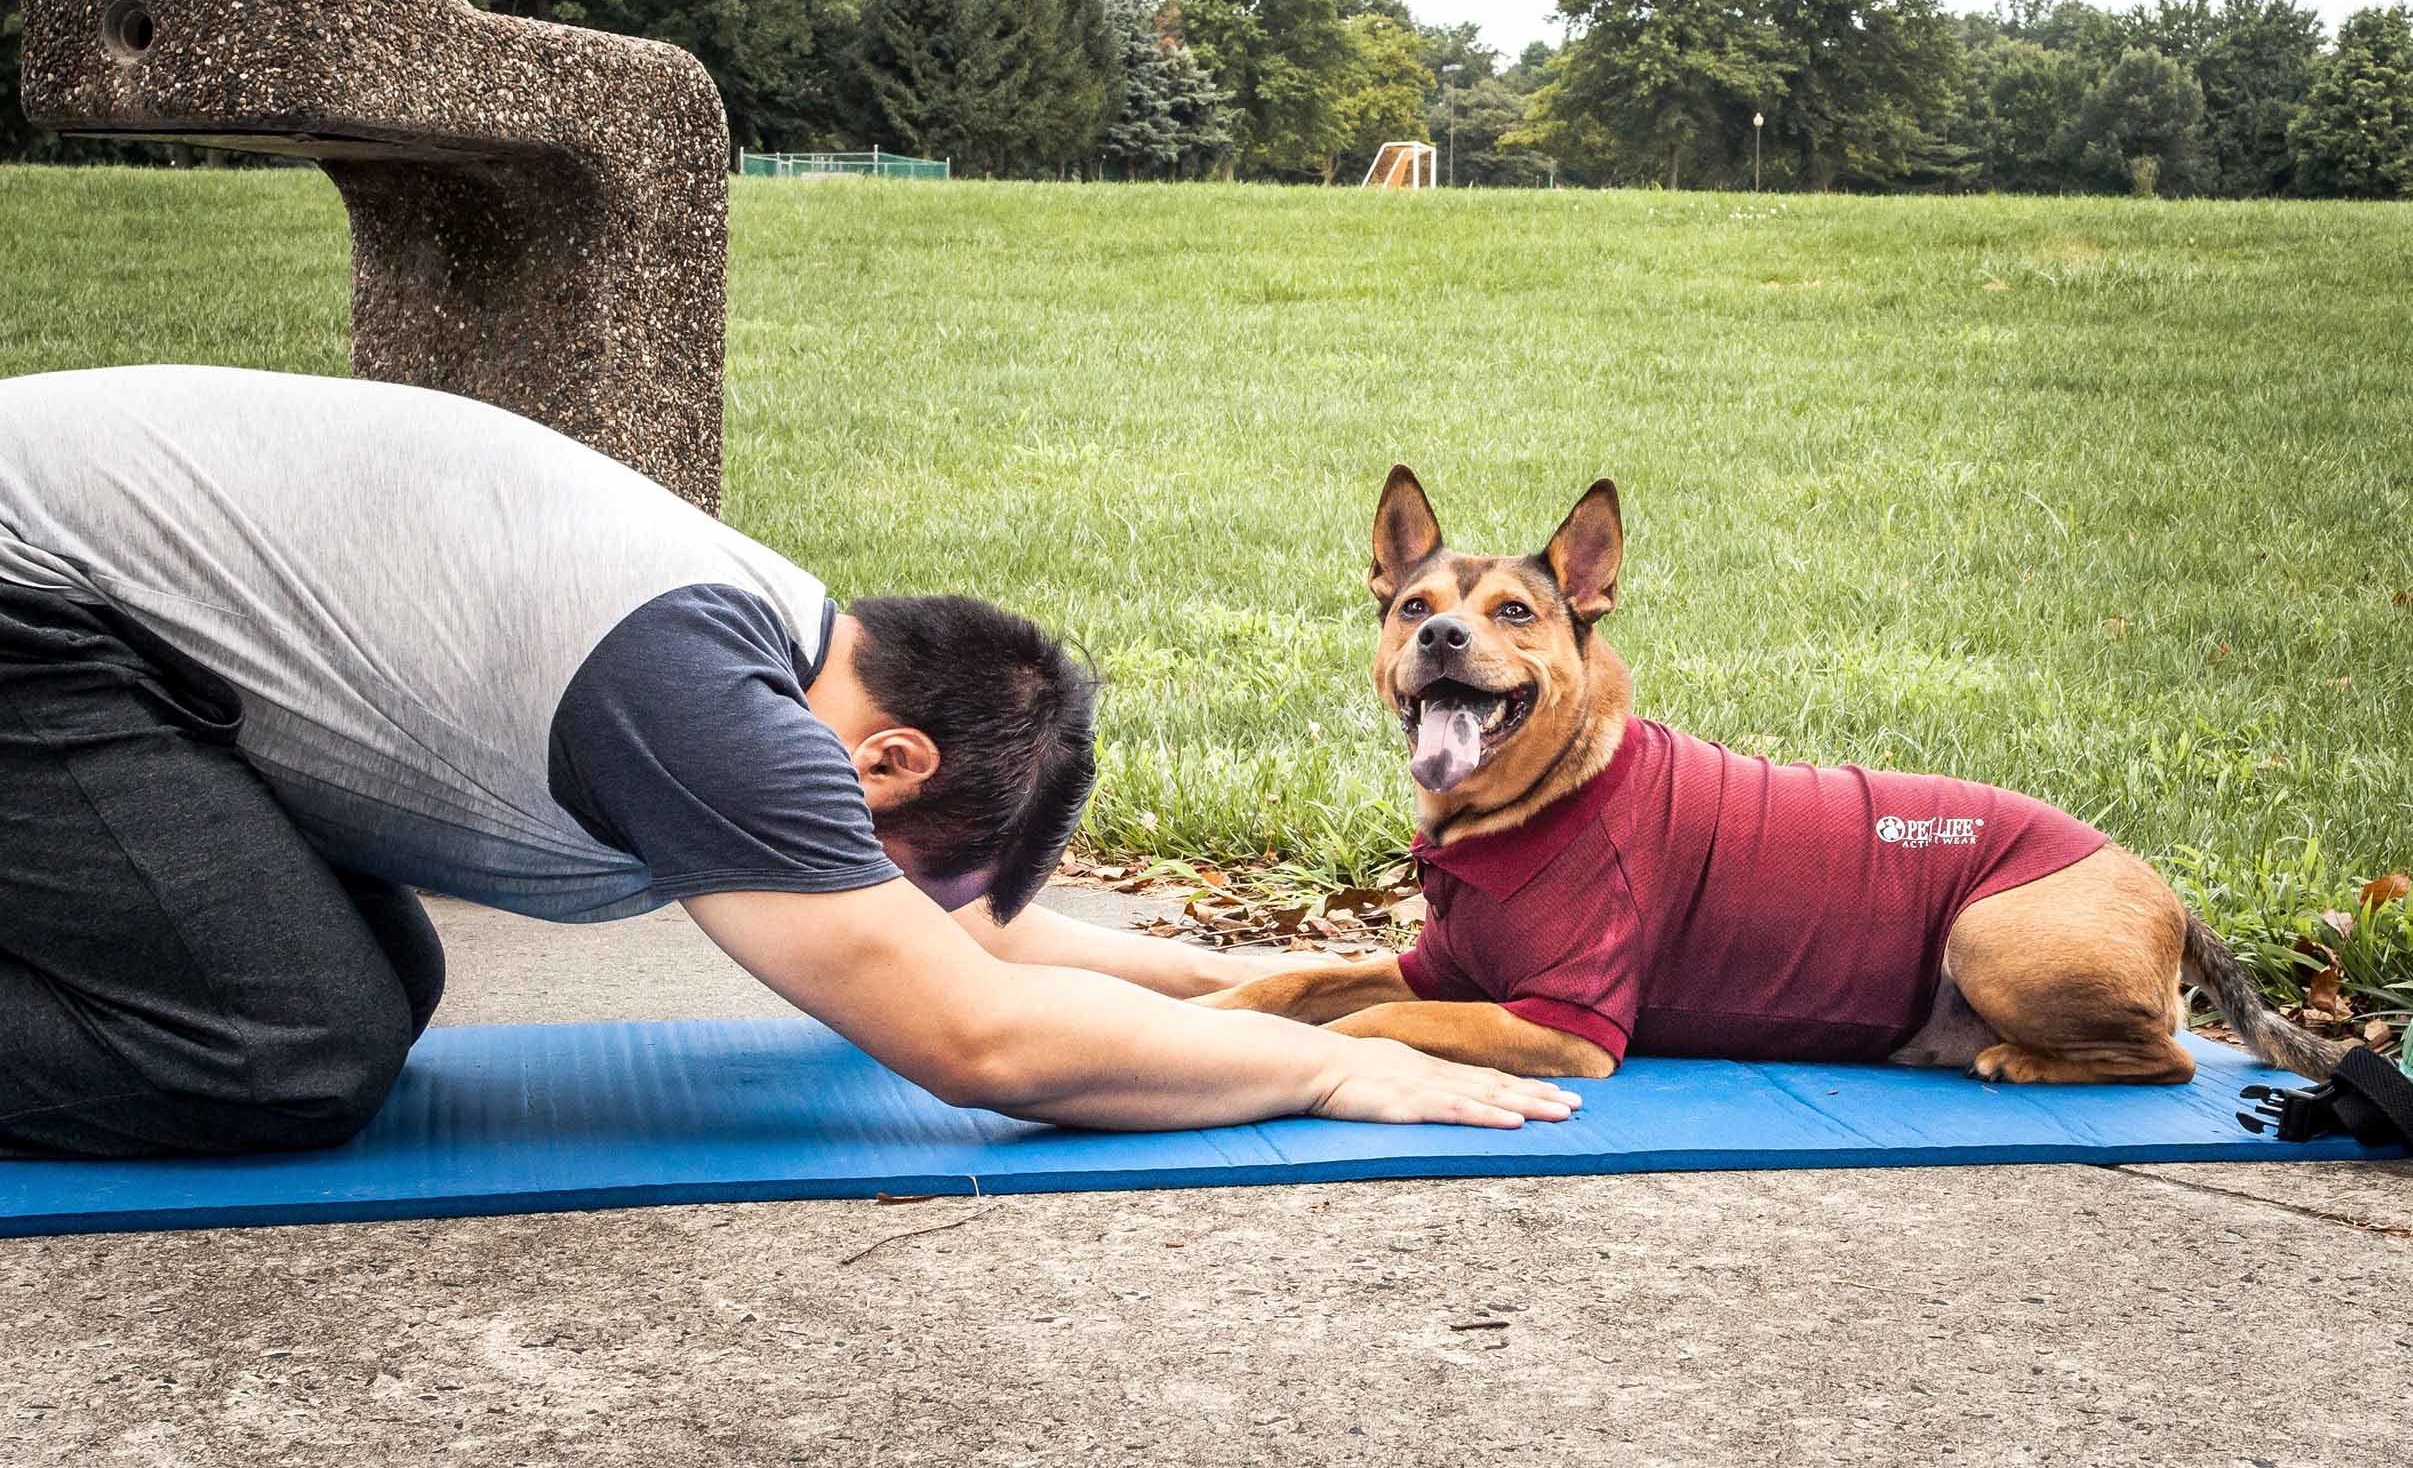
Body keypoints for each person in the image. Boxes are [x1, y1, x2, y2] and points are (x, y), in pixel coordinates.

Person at [0, 366, 1575, 1158]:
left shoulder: (770, 634)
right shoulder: (705, 708)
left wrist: (1279, 985)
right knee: (291, 1043)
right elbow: (978, 1036)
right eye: (880, 871)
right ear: (888, 762)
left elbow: (976, 936)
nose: (863, 911)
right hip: (29, 600)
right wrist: (1322, 1071)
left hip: (97, 618)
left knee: (371, 976)